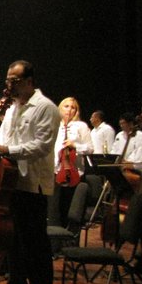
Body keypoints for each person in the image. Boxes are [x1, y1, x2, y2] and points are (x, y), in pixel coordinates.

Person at [0, 60, 60, 284]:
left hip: (32, 185)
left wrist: (6, 150)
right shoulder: (12, 108)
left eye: (14, 80)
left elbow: (42, 146)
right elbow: (4, 140)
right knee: (13, 242)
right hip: (11, 183)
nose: (9, 85)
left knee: (34, 246)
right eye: (7, 80)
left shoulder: (45, 107)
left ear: (29, 81)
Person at [54, 97, 93, 227]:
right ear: (60, 108)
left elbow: (90, 148)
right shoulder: (54, 125)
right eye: (66, 106)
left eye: (73, 107)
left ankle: (70, 235)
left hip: (74, 173)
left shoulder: (81, 126)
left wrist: (75, 145)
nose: (70, 110)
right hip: (55, 172)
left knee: (71, 209)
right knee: (55, 210)